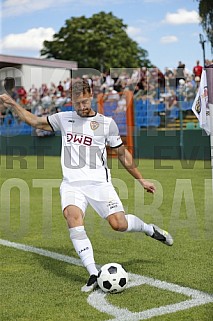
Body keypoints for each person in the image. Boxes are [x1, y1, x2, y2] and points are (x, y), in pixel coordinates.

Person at [0, 79, 173, 293]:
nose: (81, 107)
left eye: (84, 101)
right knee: (73, 217)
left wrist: (141, 179)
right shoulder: (63, 118)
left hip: (99, 184)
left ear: (91, 94)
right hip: (72, 184)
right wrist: (13, 104)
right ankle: (93, 273)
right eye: (76, 103)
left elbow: (121, 154)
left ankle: (149, 228)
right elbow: (35, 121)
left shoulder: (106, 123)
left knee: (118, 224)